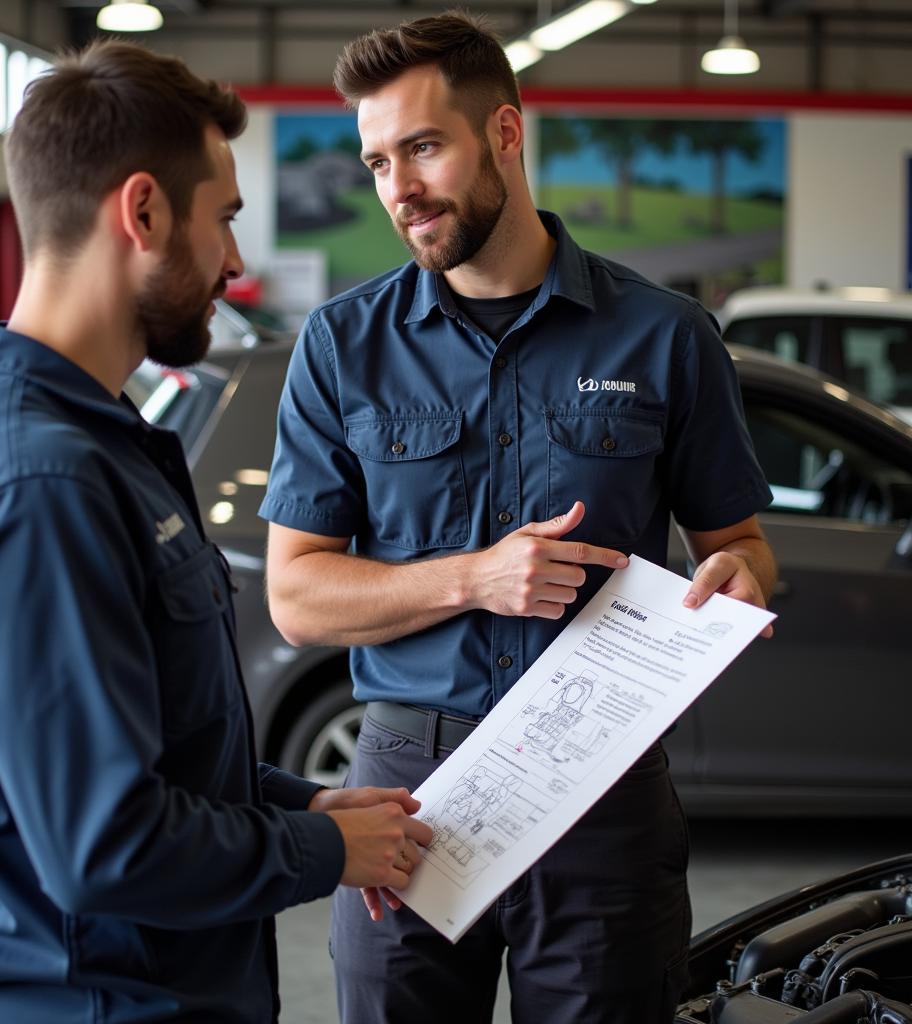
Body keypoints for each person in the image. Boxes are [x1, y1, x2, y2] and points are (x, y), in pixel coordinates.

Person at [0, 41, 432, 1024]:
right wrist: (324, 852)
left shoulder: (82, 444)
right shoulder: (37, 482)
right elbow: (105, 843)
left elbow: (151, 751)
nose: (234, 262)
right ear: (141, 211)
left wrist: (298, 805)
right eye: (221, 219)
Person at [259, 12, 777, 1024]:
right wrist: (471, 575)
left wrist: (744, 577)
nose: (396, 188)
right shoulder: (341, 346)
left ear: (504, 132)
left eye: (421, 146)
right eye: (375, 161)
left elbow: (740, 544)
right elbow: (295, 596)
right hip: (406, 790)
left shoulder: (665, 338)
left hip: (601, 785)